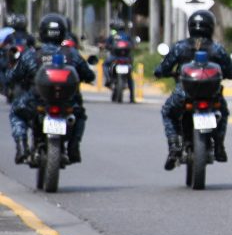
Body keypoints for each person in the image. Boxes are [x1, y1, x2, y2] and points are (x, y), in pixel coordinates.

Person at [154, 10, 232, 169]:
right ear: (211, 27)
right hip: (212, 96)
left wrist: (159, 72)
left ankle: (173, 146)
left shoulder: (180, 47)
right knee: (224, 112)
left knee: (168, 112)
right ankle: (219, 145)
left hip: (183, 94)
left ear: (191, 26)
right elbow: (231, 72)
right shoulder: (217, 49)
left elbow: (163, 68)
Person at [8, 14, 95, 164]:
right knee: (79, 115)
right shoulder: (71, 54)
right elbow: (89, 74)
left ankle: (22, 147)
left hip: (36, 101)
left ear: (42, 33)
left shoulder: (32, 54)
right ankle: (73, 148)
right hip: (67, 102)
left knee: (16, 112)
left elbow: (13, 75)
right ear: (62, 33)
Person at [0, 14, 35, 95]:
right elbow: (34, 46)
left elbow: (3, 46)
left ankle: (5, 86)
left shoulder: (11, 36)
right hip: (22, 62)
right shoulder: (28, 36)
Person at [102, 19, 135, 93]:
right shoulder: (127, 35)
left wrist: (105, 46)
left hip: (115, 57)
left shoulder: (113, 35)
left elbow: (107, 44)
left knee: (105, 65)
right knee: (130, 76)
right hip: (126, 58)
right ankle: (132, 96)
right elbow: (133, 45)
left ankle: (108, 79)